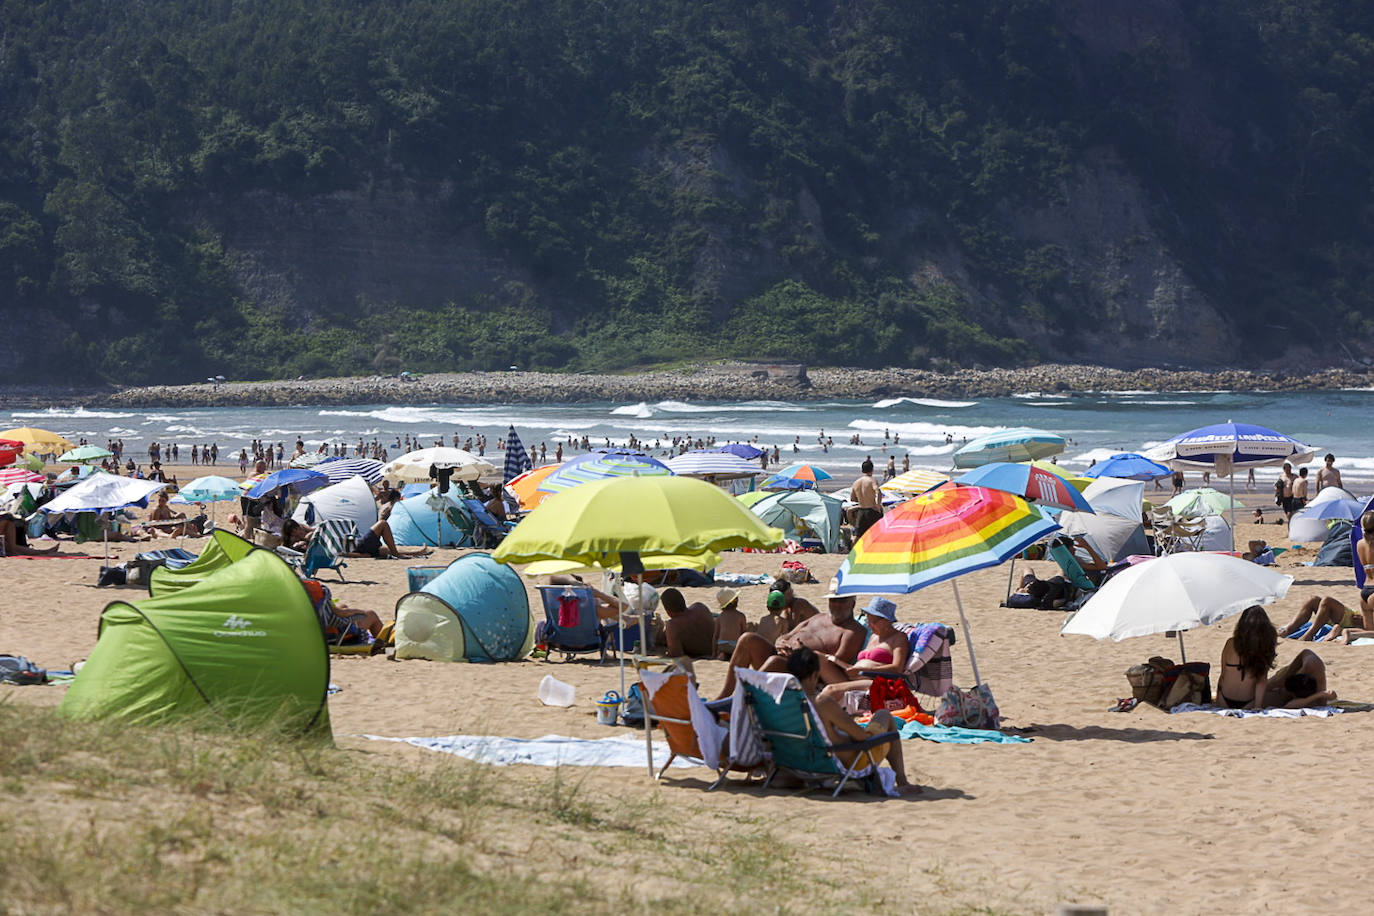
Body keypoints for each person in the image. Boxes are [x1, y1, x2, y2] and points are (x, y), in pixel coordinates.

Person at [786, 646, 921, 796]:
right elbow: (861, 737)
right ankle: (902, 782)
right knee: (884, 715)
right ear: (815, 674)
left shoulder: (784, 701)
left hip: (801, 760)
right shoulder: (821, 702)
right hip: (849, 760)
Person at [713, 593, 867, 700]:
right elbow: (787, 634)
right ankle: (723, 697)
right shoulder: (818, 617)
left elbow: (834, 664)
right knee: (748, 639)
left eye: (842, 601)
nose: (836, 605)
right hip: (781, 655)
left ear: (852, 603)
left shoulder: (853, 631)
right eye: (833, 600)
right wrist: (781, 641)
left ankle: (740, 700)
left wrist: (803, 652)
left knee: (775, 661)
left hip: (802, 672)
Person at [1215, 607, 1335, 709]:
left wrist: (1219, 701)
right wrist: (1257, 707)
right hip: (1248, 703)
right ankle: (1317, 695)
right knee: (1281, 693)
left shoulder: (1230, 643)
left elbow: (1223, 675)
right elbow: (1261, 682)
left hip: (1224, 700)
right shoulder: (1263, 646)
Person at [817, 597, 912, 702]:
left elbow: (897, 668)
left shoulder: (899, 638)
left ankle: (814, 715)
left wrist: (865, 670)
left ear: (886, 621)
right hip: (855, 678)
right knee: (817, 657)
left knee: (830, 690)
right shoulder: (873, 636)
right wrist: (837, 661)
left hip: (876, 681)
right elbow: (858, 666)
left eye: (873, 621)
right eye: (868, 620)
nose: (869, 624)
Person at [660, 587, 715, 659]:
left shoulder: (672, 625)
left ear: (667, 611)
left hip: (702, 654)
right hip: (715, 650)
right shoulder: (700, 607)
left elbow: (676, 655)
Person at [343, 518, 432, 559]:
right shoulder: (332, 542)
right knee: (383, 524)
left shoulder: (331, 540)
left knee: (388, 550)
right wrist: (361, 556)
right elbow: (343, 553)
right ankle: (397, 554)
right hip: (361, 545)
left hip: (363, 548)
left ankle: (418, 552)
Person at [712, 587, 750, 660]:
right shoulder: (740, 616)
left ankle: (722, 654)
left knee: (723, 650)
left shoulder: (720, 616)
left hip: (722, 645)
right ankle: (732, 655)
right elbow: (743, 633)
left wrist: (714, 652)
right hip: (735, 645)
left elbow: (716, 636)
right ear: (736, 601)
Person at [850, 459, 883, 539]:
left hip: (861, 511)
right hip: (871, 510)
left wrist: (862, 499)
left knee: (858, 536)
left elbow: (852, 498)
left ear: (862, 470)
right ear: (872, 470)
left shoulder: (856, 482)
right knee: (876, 534)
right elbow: (878, 492)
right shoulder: (872, 480)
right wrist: (878, 505)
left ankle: (853, 550)